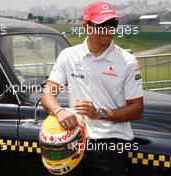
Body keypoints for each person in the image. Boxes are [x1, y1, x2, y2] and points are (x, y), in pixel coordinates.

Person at [41, 1, 144, 176]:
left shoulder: (127, 61)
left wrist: (101, 114)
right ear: (87, 27)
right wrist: (59, 111)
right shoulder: (69, 56)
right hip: (74, 141)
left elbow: (137, 109)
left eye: (113, 24)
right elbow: (47, 95)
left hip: (111, 145)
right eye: (102, 24)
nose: (109, 29)